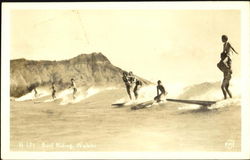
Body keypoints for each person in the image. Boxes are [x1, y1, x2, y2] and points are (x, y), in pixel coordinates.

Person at [217, 35, 239, 99]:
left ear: (225, 39)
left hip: (228, 56)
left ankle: (225, 98)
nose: (221, 40)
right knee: (226, 88)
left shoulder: (228, 43)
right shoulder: (224, 45)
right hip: (227, 75)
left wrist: (235, 52)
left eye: (222, 39)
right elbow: (223, 51)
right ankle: (231, 99)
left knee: (222, 87)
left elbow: (232, 47)